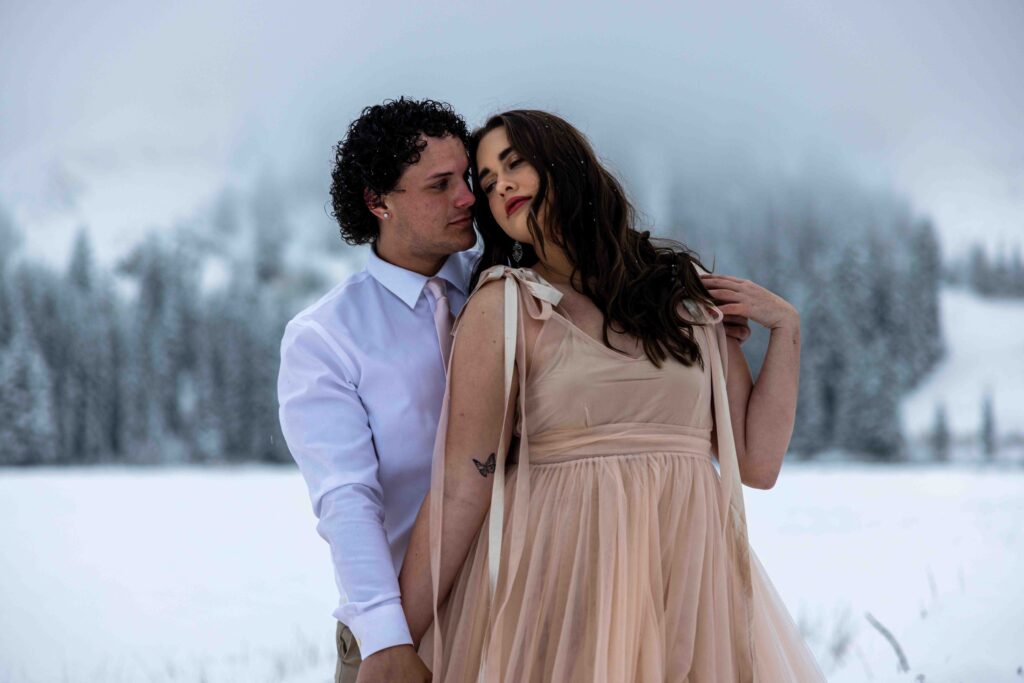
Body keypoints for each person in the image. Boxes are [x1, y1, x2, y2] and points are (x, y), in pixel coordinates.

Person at [279, 98, 750, 683]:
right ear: (379, 203)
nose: (469, 199)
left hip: (535, 612)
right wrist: (385, 638)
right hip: (405, 625)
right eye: (441, 185)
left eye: (469, 180)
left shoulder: (516, 285)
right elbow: (347, 499)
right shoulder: (327, 337)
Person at [397, 110, 826, 681]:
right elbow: (461, 486)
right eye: (486, 179)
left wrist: (787, 330)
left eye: (514, 162)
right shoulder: (504, 306)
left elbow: (758, 462)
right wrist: (393, 639)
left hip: (687, 589)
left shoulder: (682, 293)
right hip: (561, 588)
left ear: (564, 162)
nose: (499, 185)